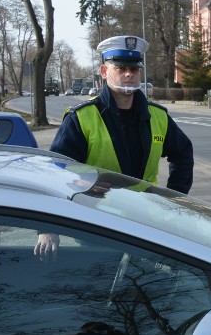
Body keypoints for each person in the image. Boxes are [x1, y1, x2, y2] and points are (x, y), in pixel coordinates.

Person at [35, 35, 194, 261]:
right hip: (98, 229)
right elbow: (56, 173)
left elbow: (183, 154)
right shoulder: (81, 118)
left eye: (134, 69)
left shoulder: (157, 116)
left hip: (146, 225)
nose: (129, 74)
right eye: (120, 68)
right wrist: (47, 227)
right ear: (103, 71)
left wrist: (172, 200)